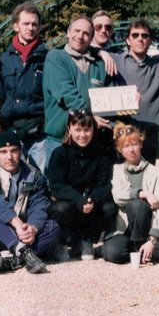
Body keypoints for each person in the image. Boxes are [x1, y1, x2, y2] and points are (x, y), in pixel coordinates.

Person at [0, 130, 59, 274]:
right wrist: (16, 223)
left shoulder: (33, 174)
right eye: (3, 152)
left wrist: (33, 228)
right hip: (0, 231)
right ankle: (24, 251)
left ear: (20, 152)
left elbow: (39, 204)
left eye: (13, 151)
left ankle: (14, 260)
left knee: (53, 227)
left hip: (24, 232)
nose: (9, 157)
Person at [46, 108, 117, 261]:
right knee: (60, 209)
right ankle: (62, 242)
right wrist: (79, 200)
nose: (82, 135)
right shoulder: (59, 153)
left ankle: (88, 239)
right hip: (71, 203)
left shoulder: (101, 154)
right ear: (69, 129)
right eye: (77, 130)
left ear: (93, 130)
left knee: (109, 208)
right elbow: (57, 186)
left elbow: (105, 185)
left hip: (92, 204)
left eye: (86, 130)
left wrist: (91, 199)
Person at [42, 16, 112, 169]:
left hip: (90, 141)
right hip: (60, 140)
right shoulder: (55, 57)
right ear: (68, 32)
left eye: (86, 33)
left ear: (91, 38)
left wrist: (129, 100)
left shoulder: (99, 64)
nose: (80, 36)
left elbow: (111, 95)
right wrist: (90, 116)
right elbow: (65, 92)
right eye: (76, 31)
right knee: (57, 182)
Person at [109, 19, 159, 163]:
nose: (140, 39)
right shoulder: (116, 60)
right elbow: (92, 49)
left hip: (149, 130)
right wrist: (103, 54)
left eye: (145, 35)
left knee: (148, 172)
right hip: (122, 128)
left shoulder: (158, 63)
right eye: (135, 35)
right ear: (128, 40)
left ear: (150, 40)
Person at [105, 123, 159, 264]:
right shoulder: (117, 170)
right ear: (119, 149)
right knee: (113, 254)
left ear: (141, 145)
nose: (131, 150)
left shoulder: (155, 173)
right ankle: (132, 248)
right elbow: (118, 196)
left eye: (134, 144)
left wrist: (152, 240)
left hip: (144, 227)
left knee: (137, 205)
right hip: (123, 227)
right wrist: (143, 193)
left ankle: (141, 245)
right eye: (126, 146)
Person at [0, 3, 47, 168]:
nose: (30, 28)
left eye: (34, 24)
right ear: (16, 26)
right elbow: (1, 94)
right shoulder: (5, 59)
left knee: (40, 177)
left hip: (39, 132)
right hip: (12, 129)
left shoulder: (47, 57)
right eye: (26, 23)